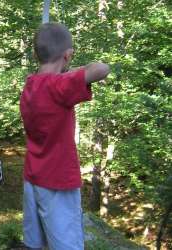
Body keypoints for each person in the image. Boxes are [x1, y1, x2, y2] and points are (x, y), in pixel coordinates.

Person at [19, 23, 110, 250]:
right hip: (58, 180)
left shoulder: (31, 84)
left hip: (33, 176)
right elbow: (102, 69)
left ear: (35, 54)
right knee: (66, 244)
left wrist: (68, 69)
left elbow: (57, 77)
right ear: (68, 56)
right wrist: (76, 69)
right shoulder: (59, 85)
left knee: (36, 242)